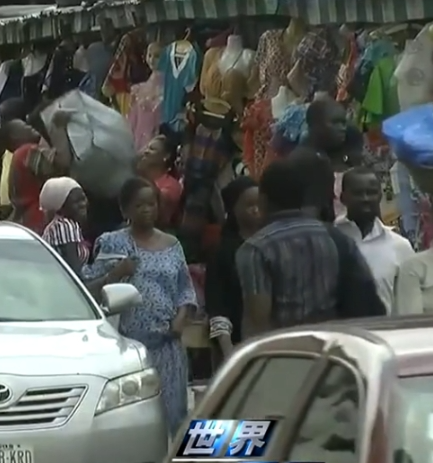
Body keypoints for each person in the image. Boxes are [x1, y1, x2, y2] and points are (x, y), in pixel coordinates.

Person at [82, 177, 197, 437]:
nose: (146, 210)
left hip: (167, 345)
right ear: (125, 211)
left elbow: (185, 289)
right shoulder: (113, 243)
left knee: (173, 415)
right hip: (128, 346)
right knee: (132, 416)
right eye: (139, 205)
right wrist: (117, 273)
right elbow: (87, 287)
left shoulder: (172, 245)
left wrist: (180, 320)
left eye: (151, 204)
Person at [236, 158, 342, 338]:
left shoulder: (255, 248)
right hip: (331, 348)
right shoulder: (335, 236)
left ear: (263, 199)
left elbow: (257, 321)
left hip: (286, 353)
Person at [335, 167, 413, 313]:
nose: (365, 199)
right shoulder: (330, 240)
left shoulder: (399, 246)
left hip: (386, 333)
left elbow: (407, 304)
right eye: (358, 193)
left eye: (371, 192)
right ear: (343, 198)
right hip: (341, 333)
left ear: (380, 196)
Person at [205, 177, 260, 358]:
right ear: (233, 209)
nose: (256, 210)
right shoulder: (223, 251)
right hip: (237, 344)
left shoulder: (272, 245)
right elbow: (217, 305)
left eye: (260, 204)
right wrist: (229, 352)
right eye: (249, 205)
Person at [7, 112, 74, 234]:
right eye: (24, 127)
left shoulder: (17, 156)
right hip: (37, 214)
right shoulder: (27, 152)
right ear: (15, 138)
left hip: (25, 215)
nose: (29, 127)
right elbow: (58, 168)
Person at [136, 134, 183, 230]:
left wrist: (144, 174)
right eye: (147, 148)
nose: (146, 152)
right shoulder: (138, 176)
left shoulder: (172, 185)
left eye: (152, 149)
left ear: (166, 156)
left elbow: (157, 207)